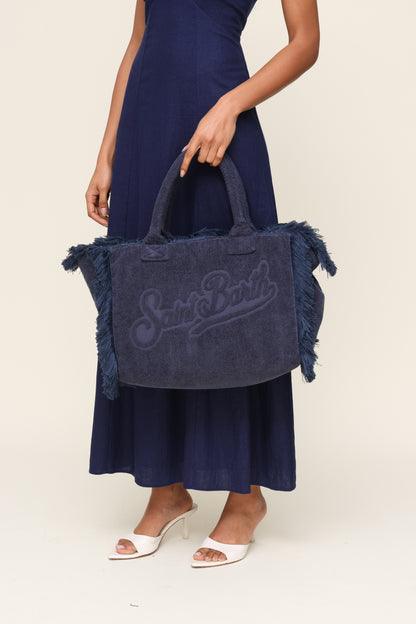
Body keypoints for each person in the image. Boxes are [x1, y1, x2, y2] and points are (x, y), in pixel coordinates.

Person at [85, 0, 320, 568]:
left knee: (231, 306)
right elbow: (138, 42)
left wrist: (231, 104)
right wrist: (107, 153)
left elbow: (305, 42)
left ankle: (246, 497)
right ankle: (165, 489)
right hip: (146, 127)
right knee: (147, 301)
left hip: (220, 114)